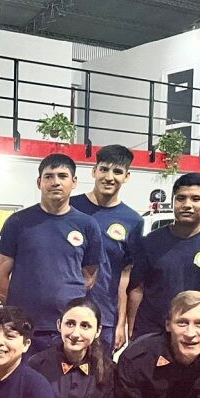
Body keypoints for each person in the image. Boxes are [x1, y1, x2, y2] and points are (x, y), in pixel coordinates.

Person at [0, 153, 103, 353]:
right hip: (26, 328)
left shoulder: (88, 225)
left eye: (62, 176)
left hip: (68, 329)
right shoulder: (18, 222)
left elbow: (89, 277)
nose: (55, 182)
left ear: (74, 182)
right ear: (39, 182)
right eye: (49, 176)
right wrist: (17, 313)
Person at [127, 173, 200, 340]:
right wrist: (132, 331)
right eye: (181, 198)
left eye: (196, 199)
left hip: (196, 335)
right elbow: (136, 289)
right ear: (173, 201)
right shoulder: (150, 242)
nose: (187, 205)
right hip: (153, 332)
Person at [71, 144, 144, 351]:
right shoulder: (70, 207)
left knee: (101, 370)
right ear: (94, 171)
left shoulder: (133, 221)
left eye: (117, 172)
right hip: (66, 312)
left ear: (126, 177)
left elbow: (125, 275)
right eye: (104, 169)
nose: (109, 177)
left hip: (105, 317)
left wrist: (121, 323)